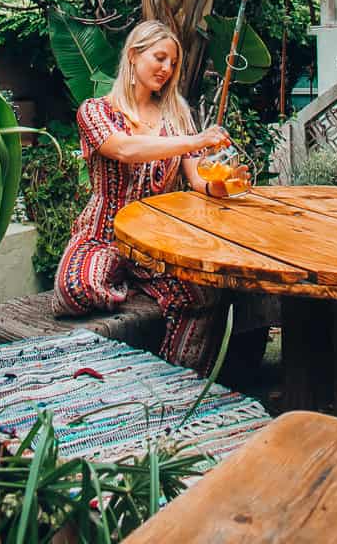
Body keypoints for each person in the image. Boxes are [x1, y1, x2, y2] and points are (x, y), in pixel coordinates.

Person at [53, 19, 235, 375]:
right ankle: (129, 286)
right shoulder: (96, 111)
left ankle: (176, 380)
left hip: (157, 242)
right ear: (134, 55)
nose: (167, 70)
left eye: (173, 64)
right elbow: (123, 149)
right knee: (75, 290)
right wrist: (195, 141)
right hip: (104, 234)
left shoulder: (177, 116)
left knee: (204, 295)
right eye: (160, 58)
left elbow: (196, 178)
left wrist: (222, 184)